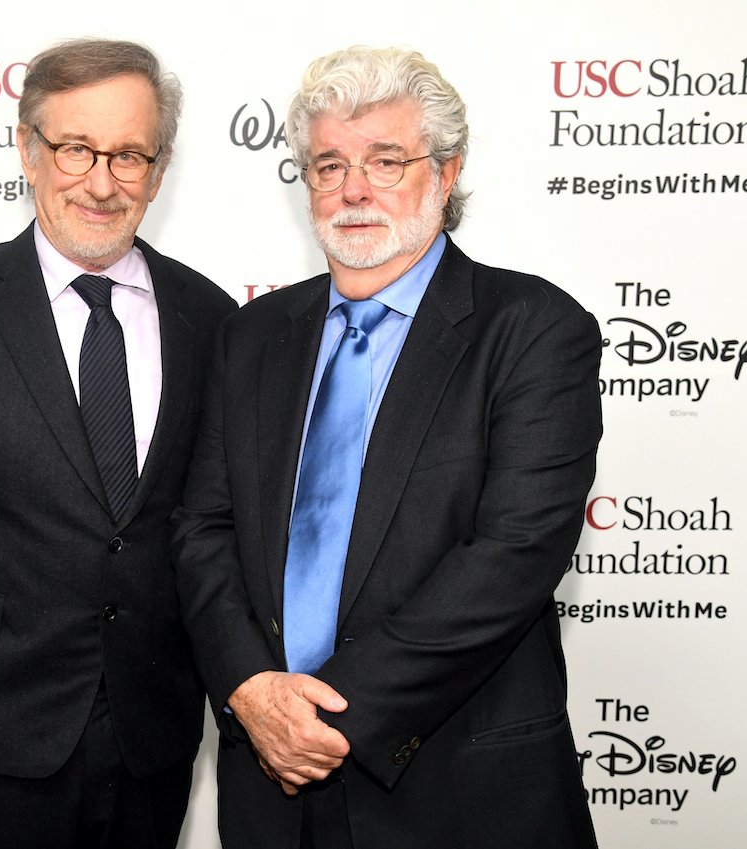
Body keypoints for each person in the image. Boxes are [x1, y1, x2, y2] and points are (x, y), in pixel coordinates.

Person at [172, 45, 601, 849]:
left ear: (445, 173)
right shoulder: (252, 336)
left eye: (386, 160)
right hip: (271, 781)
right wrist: (252, 691)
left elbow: (514, 553)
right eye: (328, 165)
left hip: (457, 787)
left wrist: (330, 714)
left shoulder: (534, 330)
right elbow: (203, 530)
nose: (354, 189)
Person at [0, 38, 235, 849]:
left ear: (158, 170)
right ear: (29, 151)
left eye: (129, 154)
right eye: (75, 148)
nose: (102, 182)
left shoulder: (212, 320)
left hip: (155, 734)